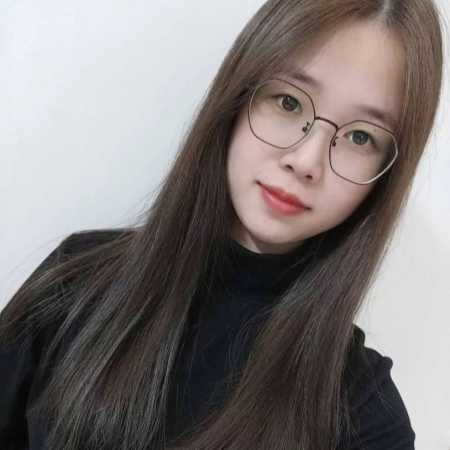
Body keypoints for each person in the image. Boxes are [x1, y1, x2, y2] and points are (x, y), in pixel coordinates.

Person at [0, 0, 444, 449]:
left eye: (360, 137)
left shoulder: (365, 415)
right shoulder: (75, 285)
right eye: (288, 102)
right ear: (237, 96)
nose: (307, 161)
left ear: (385, 175)